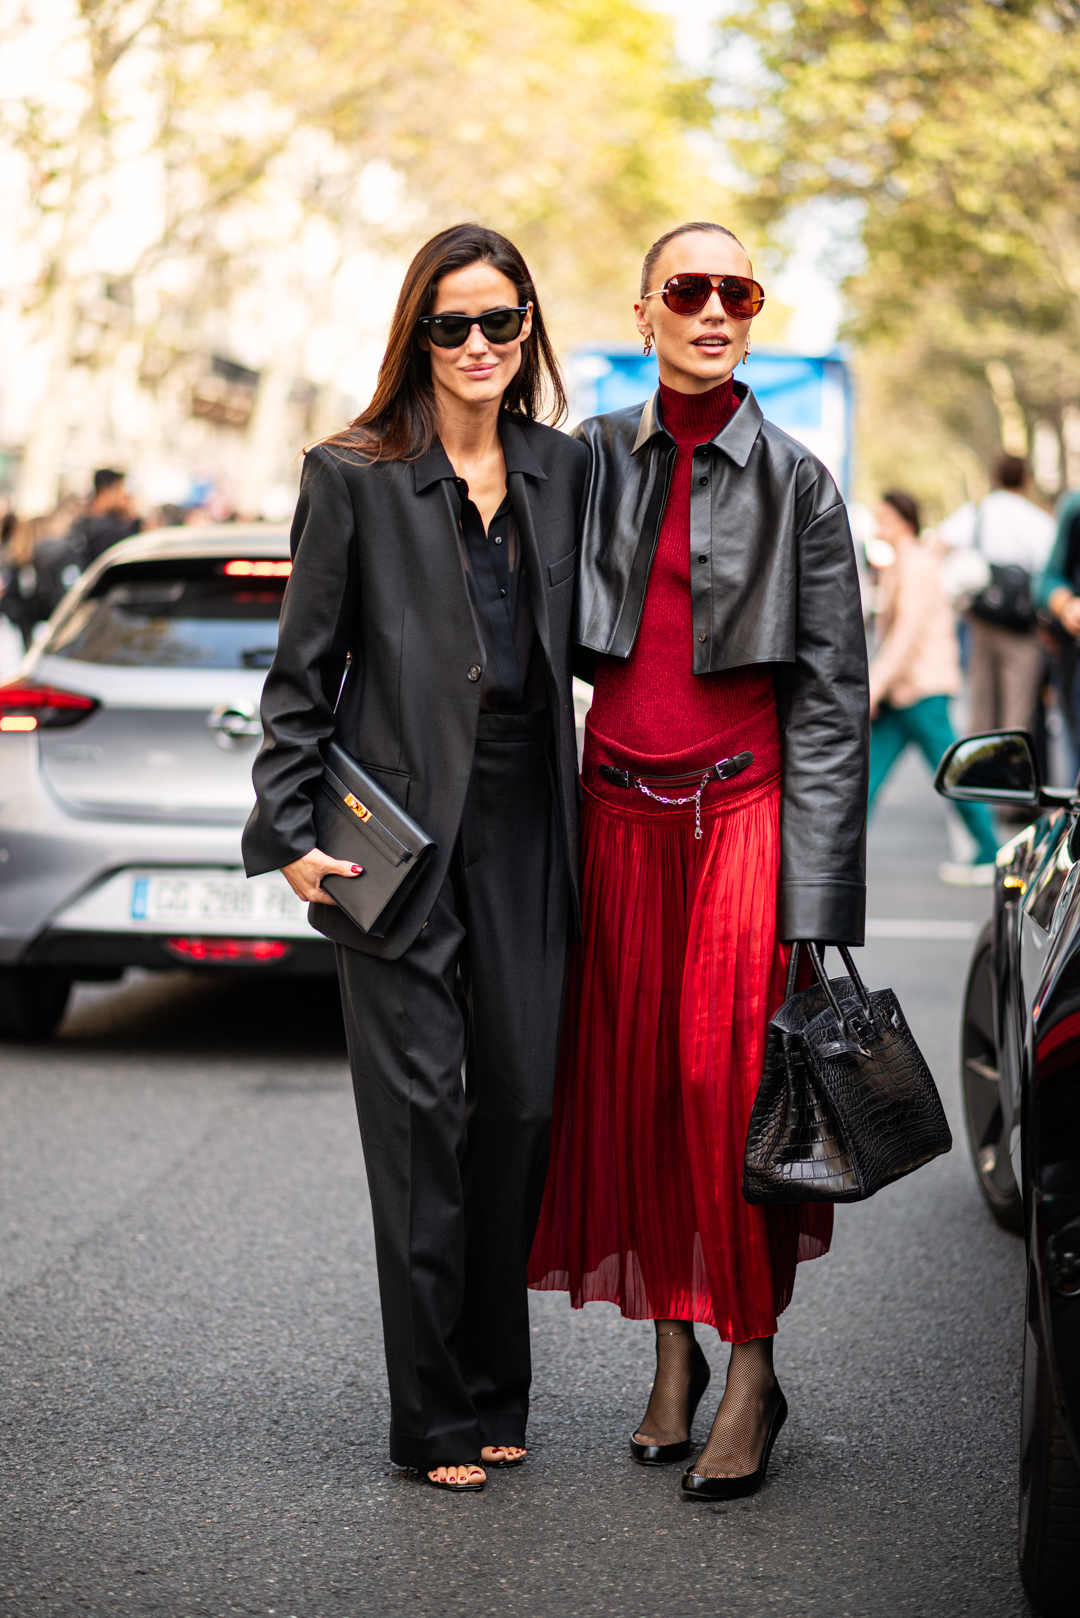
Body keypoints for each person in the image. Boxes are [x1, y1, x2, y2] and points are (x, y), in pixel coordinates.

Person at [242, 225, 586, 1493]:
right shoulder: (354, 473)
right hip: (391, 836)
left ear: (530, 328)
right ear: (418, 337)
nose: (481, 346)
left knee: (522, 1104)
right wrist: (291, 832)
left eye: (502, 322)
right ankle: (435, 1414)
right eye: (455, 327)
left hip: (531, 826)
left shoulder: (566, 468)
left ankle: (500, 1382)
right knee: (416, 1123)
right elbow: (302, 672)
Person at [527, 221, 868, 1500]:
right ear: (648, 308)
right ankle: (669, 1348)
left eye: (737, 290)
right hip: (612, 812)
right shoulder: (588, 459)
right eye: (691, 288)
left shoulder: (799, 479)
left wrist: (819, 897)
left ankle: (753, 1370)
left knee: (726, 1090)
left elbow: (835, 697)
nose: (715, 309)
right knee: (636, 1088)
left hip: (743, 816)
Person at [867, 491, 999, 886]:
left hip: (922, 688)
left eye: (884, 518)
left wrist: (875, 686)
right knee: (866, 775)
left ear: (904, 521)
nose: (878, 526)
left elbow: (905, 635)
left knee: (953, 770)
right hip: (907, 691)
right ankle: (836, 854)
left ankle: (990, 850)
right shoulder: (904, 563)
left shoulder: (916, 564)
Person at [939, 454, 1055, 735]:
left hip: (983, 618)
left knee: (982, 704)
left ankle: (980, 770)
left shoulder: (978, 513)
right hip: (1022, 624)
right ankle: (1012, 769)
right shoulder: (1037, 519)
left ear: (995, 477)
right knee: (1017, 708)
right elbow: (1048, 569)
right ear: (1025, 480)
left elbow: (940, 543)